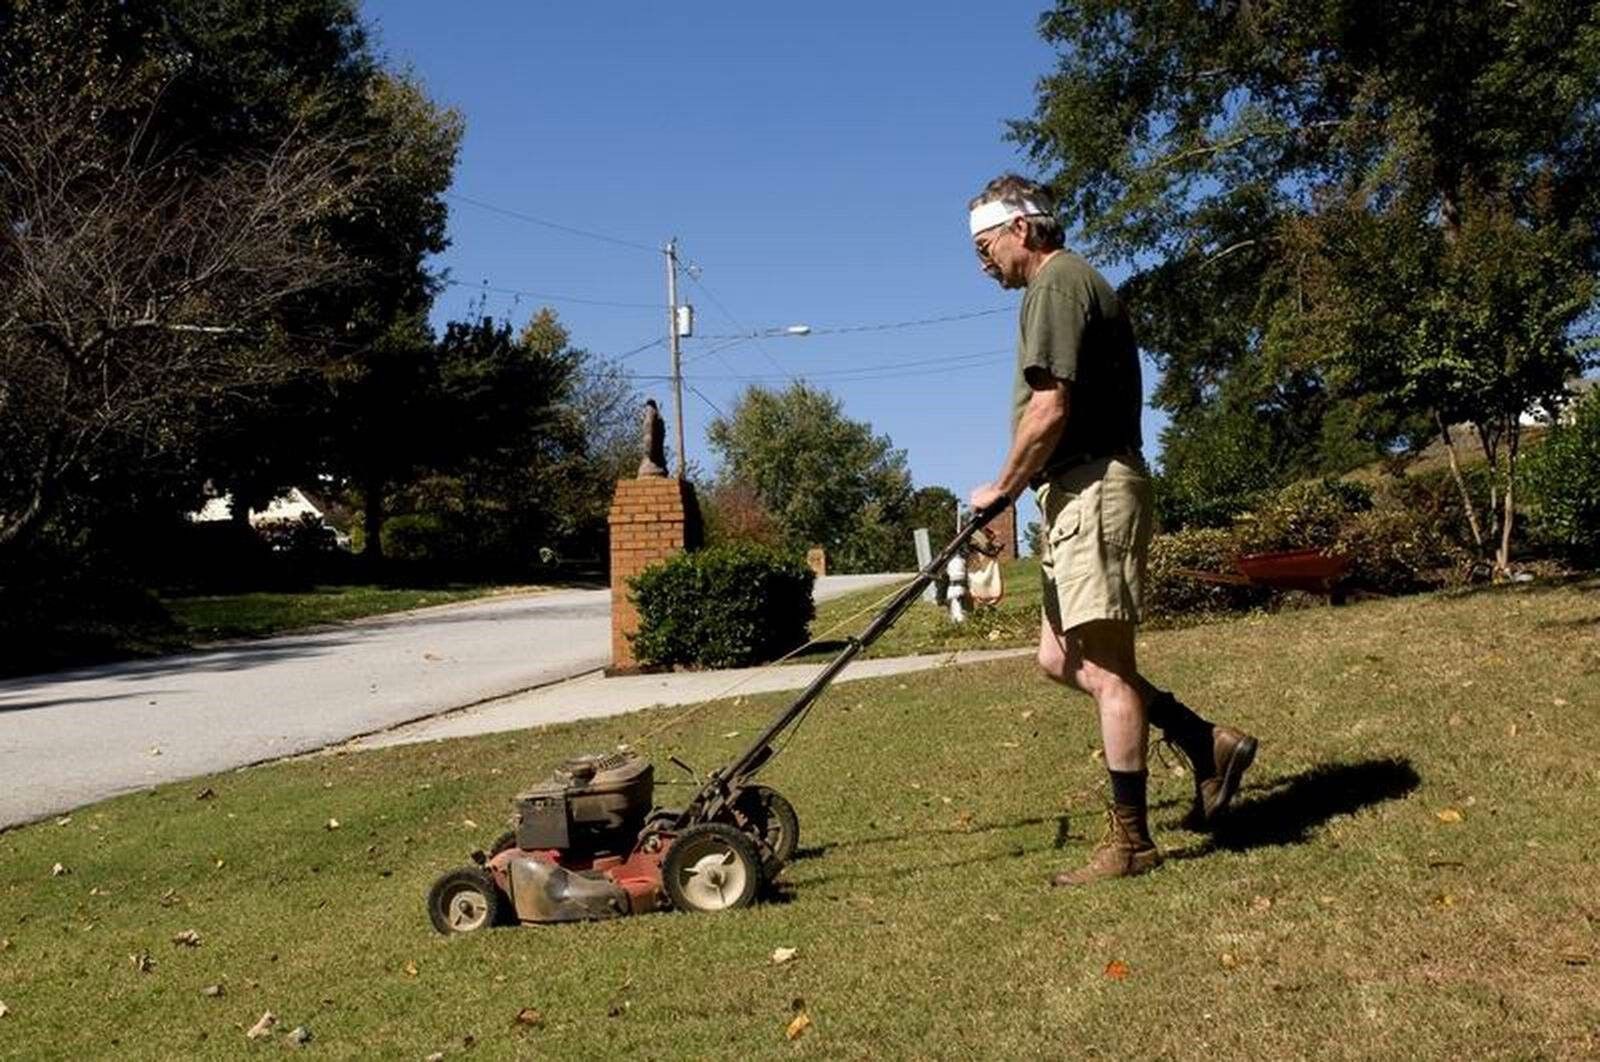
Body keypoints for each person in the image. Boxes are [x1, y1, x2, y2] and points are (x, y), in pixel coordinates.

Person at [965, 174, 1258, 886]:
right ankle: (1203, 742)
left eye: (985, 245)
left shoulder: (1057, 285)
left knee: (1113, 673)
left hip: (1095, 486)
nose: (981, 261)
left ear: (1023, 229)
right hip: (1073, 490)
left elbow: (1050, 406)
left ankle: (1132, 842)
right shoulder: (1057, 287)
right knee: (1057, 657)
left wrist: (999, 489)